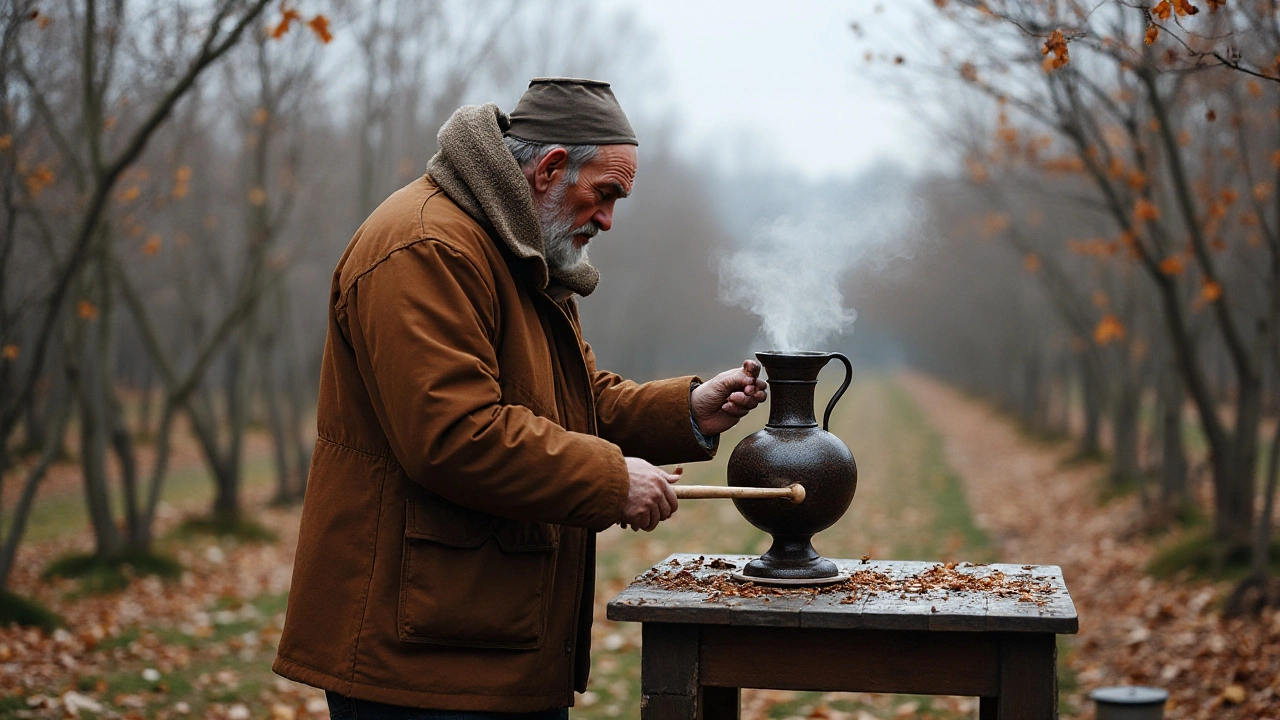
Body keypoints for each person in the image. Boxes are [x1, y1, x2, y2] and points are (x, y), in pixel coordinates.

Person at [272, 78, 767, 719]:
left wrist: (690, 408)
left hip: (481, 634)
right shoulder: (426, 247)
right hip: (418, 657)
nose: (609, 220)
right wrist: (609, 479)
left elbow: (576, 400)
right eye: (606, 194)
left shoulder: (520, 248)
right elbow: (453, 434)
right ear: (552, 168)